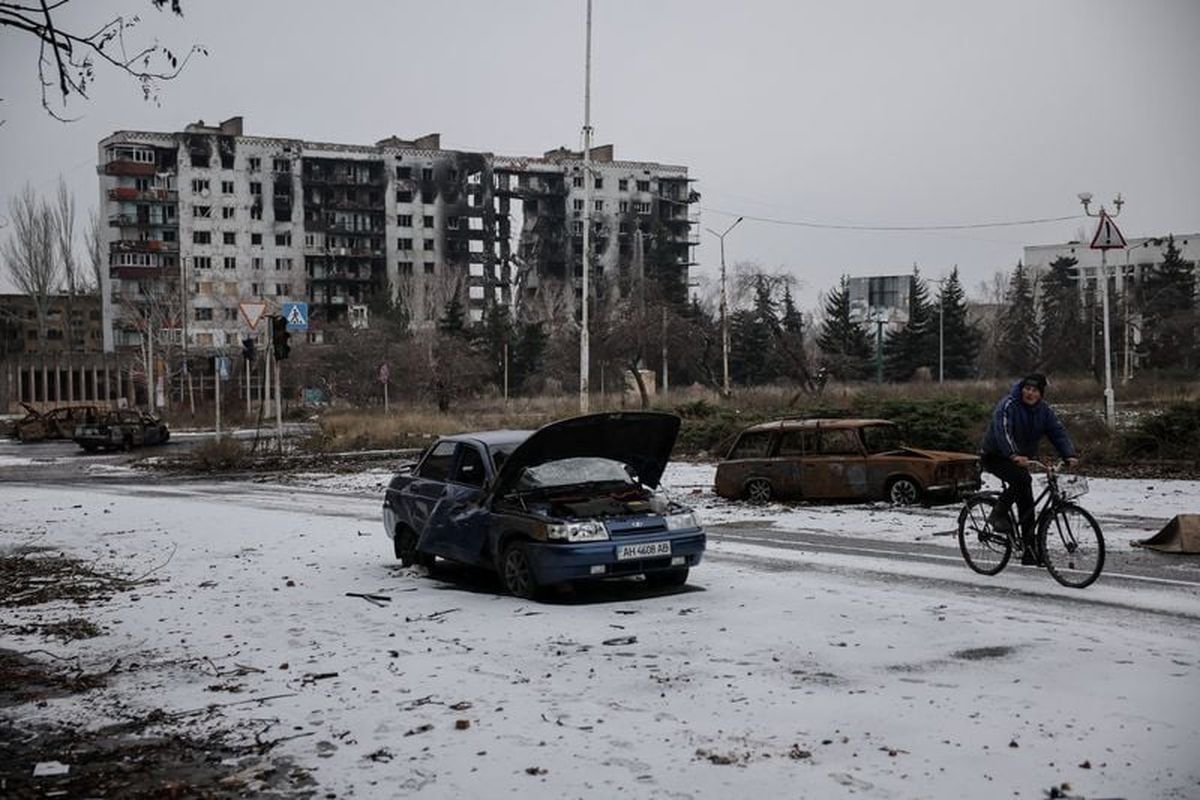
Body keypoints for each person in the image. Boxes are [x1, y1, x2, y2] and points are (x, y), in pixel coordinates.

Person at [979, 373, 1079, 565]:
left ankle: (1029, 550)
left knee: (1028, 503)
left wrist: (1068, 454)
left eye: (1034, 390)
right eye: (1027, 389)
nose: (1029, 393)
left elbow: (1057, 431)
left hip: (1020, 459)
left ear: (1041, 394)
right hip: (996, 455)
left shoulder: (1043, 411)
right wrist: (1013, 454)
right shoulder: (1009, 405)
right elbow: (1003, 432)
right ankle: (997, 514)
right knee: (1022, 480)